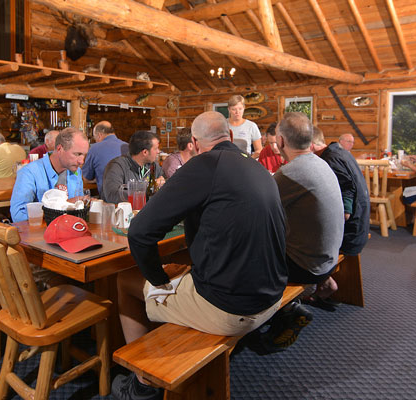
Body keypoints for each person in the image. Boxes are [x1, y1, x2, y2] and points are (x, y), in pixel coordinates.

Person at [110, 111, 287, 399]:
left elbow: (139, 232)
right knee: (184, 267)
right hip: (274, 294)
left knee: (126, 280)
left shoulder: (204, 165)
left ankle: (142, 382)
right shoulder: (255, 166)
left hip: (233, 308)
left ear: (193, 143)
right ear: (230, 136)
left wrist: (158, 280)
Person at [263, 112, 344, 352]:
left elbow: (258, 212)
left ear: (280, 141)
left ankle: (280, 315)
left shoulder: (289, 173)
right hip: (328, 258)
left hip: (308, 265)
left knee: (246, 252)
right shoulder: (321, 163)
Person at [310, 126, 370, 310]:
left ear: (311, 146)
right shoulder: (339, 152)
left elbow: (346, 193)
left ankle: (323, 285)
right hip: (361, 224)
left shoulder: (330, 159)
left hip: (351, 233)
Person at [10, 128, 88, 222]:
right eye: (77, 154)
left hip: (69, 230)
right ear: (59, 149)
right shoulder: (29, 172)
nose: (81, 161)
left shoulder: (76, 171)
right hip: (40, 234)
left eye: (84, 155)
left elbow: (78, 207)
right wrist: (63, 205)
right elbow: (18, 215)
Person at [102, 130, 165, 204]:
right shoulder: (117, 166)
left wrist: (162, 183)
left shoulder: (153, 166)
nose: (158, 151)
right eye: (156, 149)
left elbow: (165, 187)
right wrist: (149, 188)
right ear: (145, 152)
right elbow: (112, 195)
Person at [81, 121, 128, 198]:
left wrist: (100, 177)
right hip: (129, 197)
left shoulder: (94, 148)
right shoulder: (127, 146)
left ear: (99, 135)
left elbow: (86, 178)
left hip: (107, 198)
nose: (95, 140)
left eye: (95, 137)